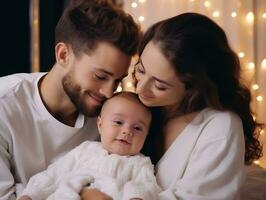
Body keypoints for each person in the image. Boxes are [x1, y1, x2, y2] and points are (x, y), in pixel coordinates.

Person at [0, 0, 140, 199]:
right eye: (100, 76)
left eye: (117, 80)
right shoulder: (4, 106)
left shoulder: (114, 118)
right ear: (63, 55)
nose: (109, 93)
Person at [133, 12, 263, 200]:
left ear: (195, 87)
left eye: (160, 85)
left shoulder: (221, 127)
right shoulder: (139, 107)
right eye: (141, 70)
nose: (140, 88)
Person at [17, 92, 161, 200]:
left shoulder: (140, 163)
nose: (127, 131)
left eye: (137, 128)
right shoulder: (85, 150)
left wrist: (136, 197)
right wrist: (31, 194)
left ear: (146, 135)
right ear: (100, 124)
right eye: (118, 122)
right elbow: (54, 173)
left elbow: (148, 186)